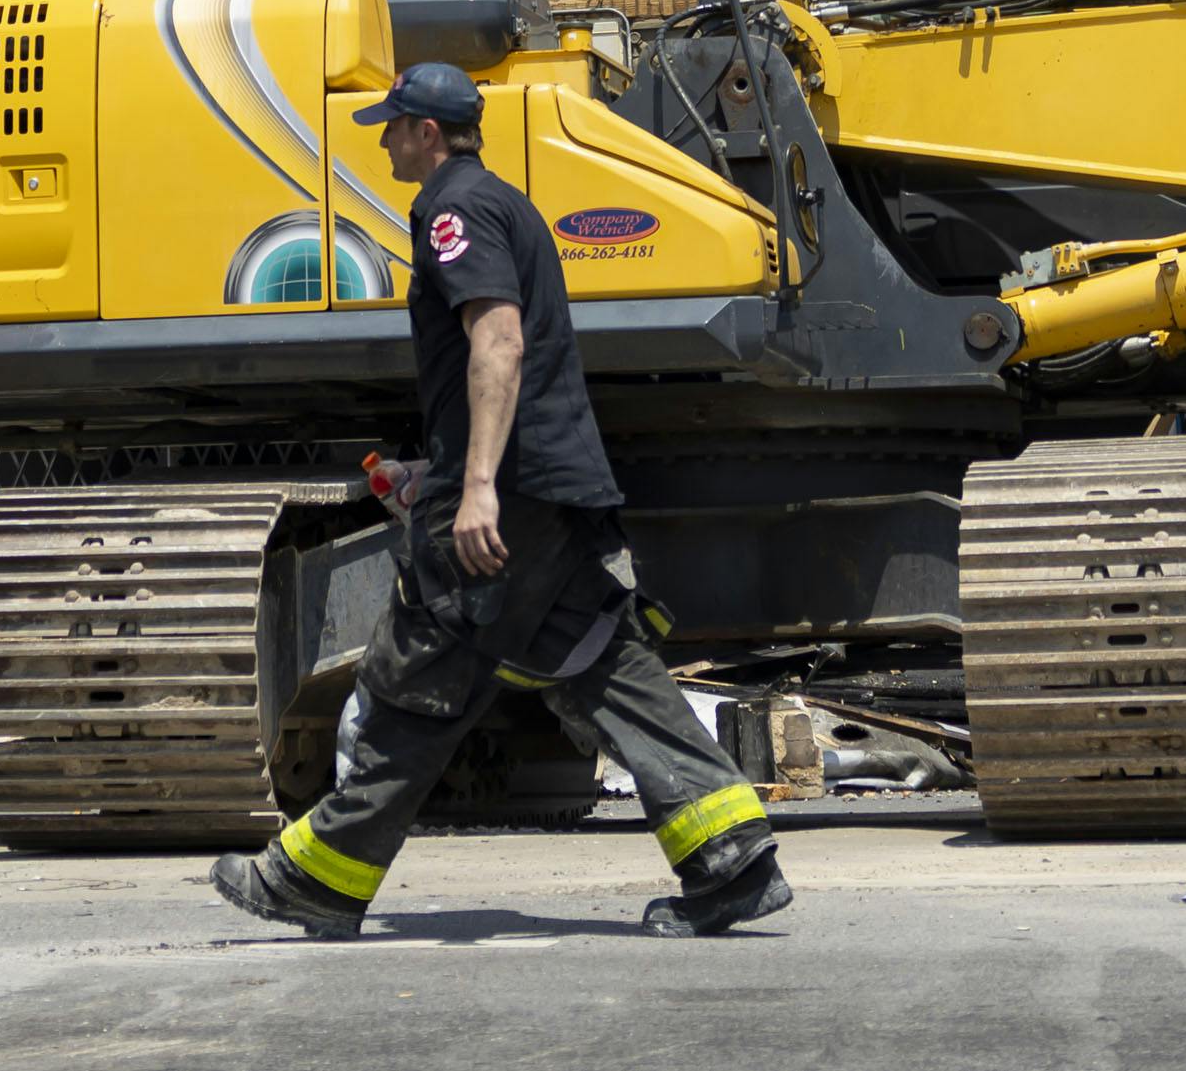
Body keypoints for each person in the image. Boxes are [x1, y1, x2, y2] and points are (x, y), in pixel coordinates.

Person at [210, 61, 790, 942]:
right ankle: (731, 855)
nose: (384, 139)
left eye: (393, 125)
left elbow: (500, 338)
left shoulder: (454, 209)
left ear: (427, 133)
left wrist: (475, 484)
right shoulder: (504, 202)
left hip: (509, 491)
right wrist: (434, 466)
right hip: (545, 485)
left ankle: (319, 877)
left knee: (419, 668)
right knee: (596, 658)